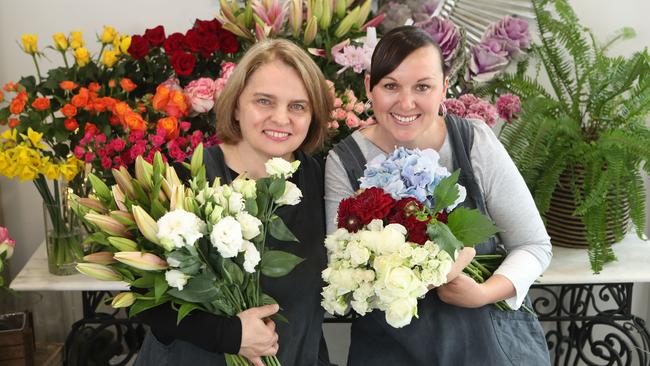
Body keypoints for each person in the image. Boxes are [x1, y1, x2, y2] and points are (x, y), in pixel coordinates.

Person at [324, 26, 552, 365]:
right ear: (369, 87)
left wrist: (482, 293)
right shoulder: (344, 161)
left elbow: (533, 246)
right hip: (389, 351)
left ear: (444, 87)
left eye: (423, 87)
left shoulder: (473, 141)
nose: (406, 102)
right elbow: (342, 273)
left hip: (488, 346)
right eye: (390, 86)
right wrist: (424, 276)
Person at [136, 38, 333, 366]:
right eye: (264, 101)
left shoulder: (323, 182)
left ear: (313, 116)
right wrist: (228, 334)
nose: (281, 118)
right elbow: (143, 298)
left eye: (298, 106)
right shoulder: (187, 180)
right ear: (237, 104)